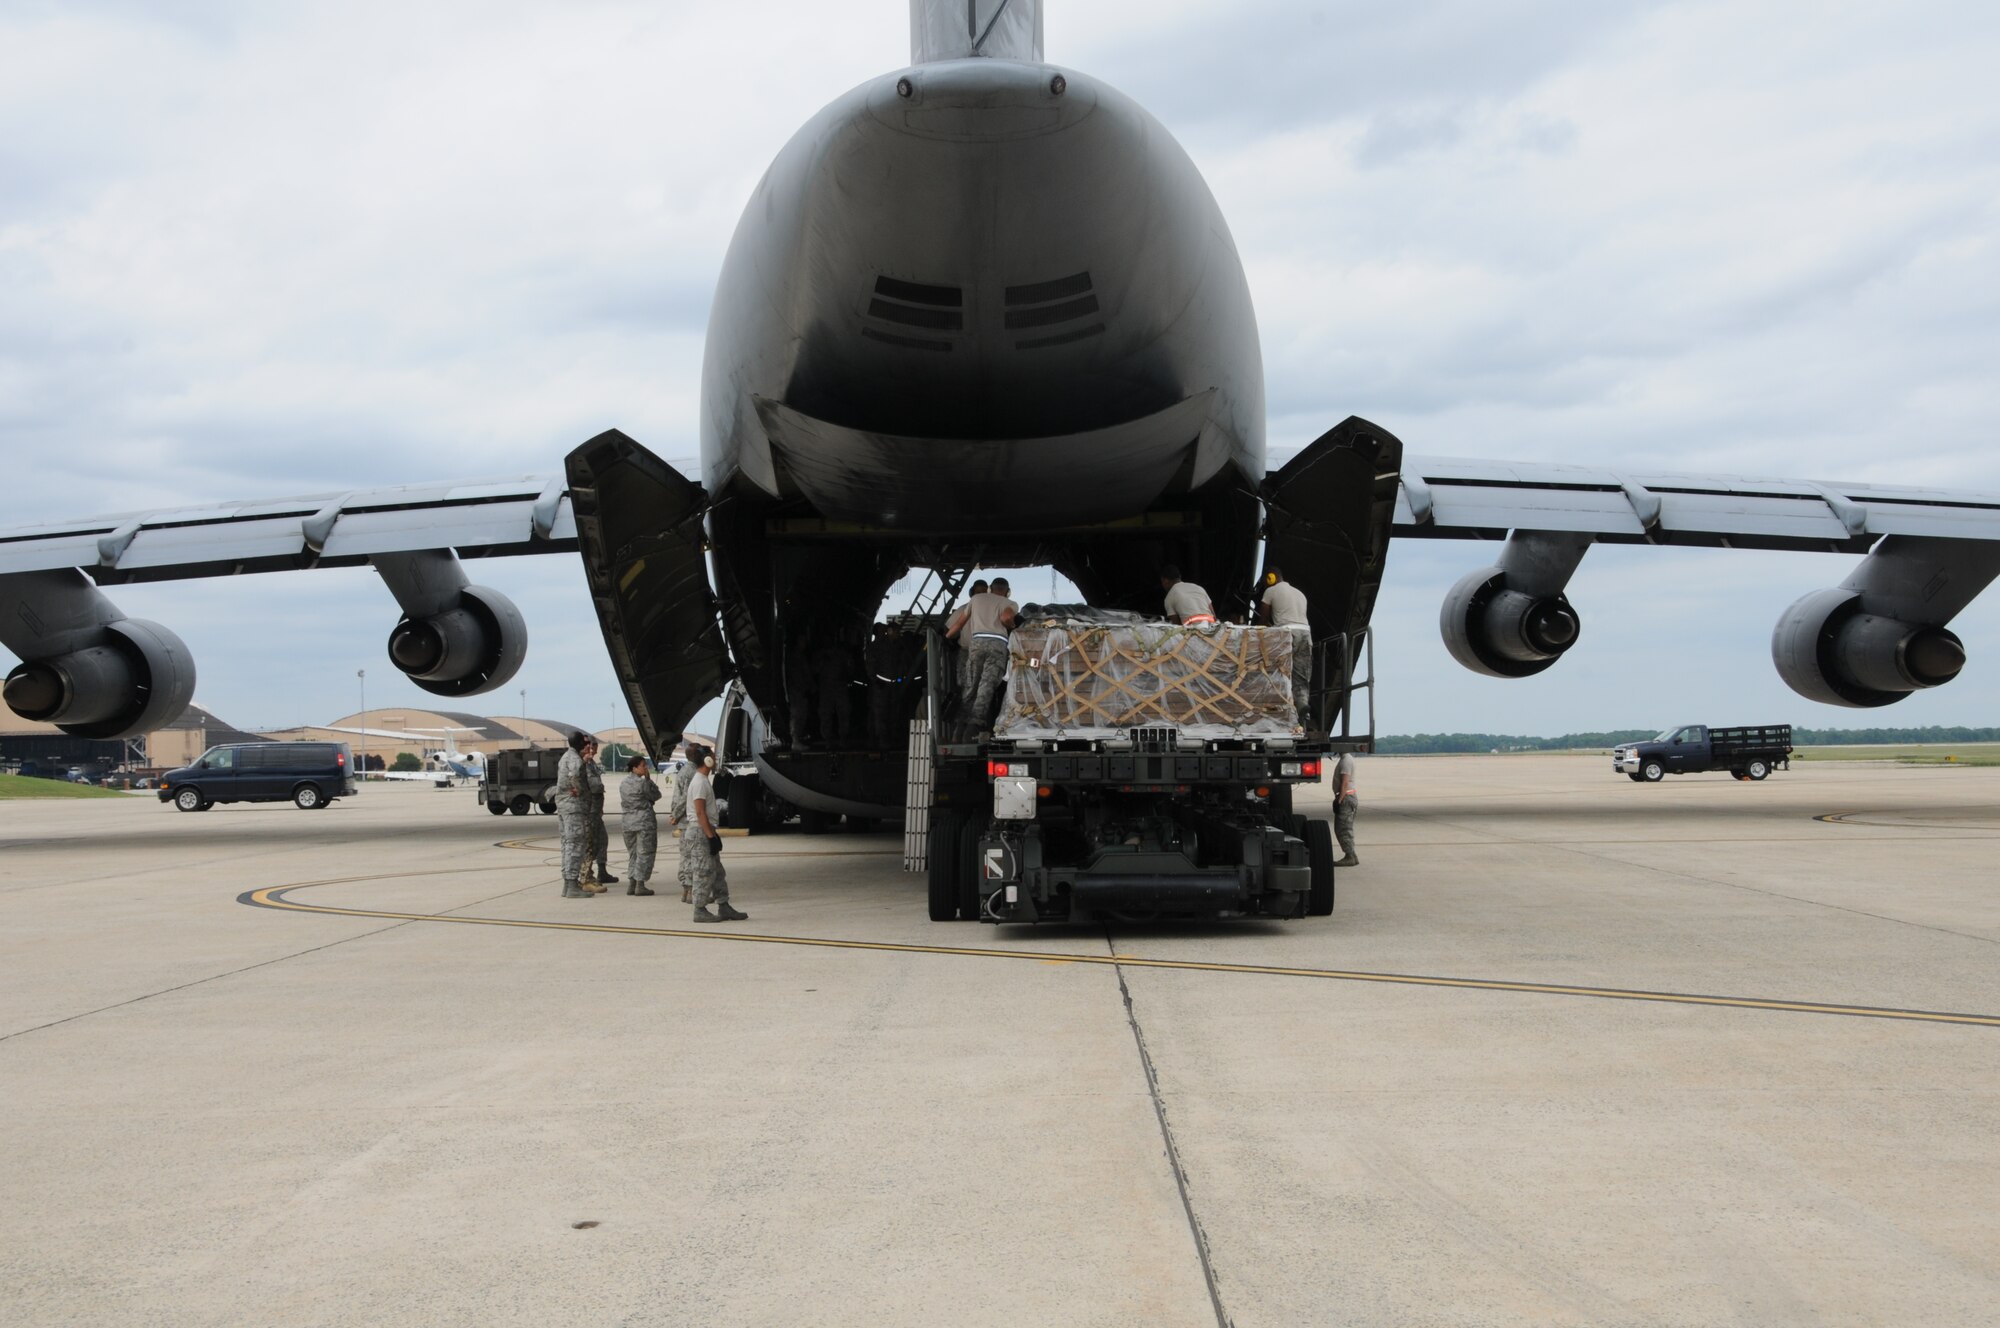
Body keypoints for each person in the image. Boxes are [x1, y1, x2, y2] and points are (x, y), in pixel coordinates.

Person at [946, 576, 1017, 739]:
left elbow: (958, 623)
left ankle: (959, 726)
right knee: (986, 686)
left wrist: (946, 637)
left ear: (990, 588)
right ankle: (973, 726)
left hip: (976, 644)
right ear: (1007, 591)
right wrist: (1012, 626)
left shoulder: (976, 599)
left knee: (971, 685)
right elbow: (1006, 618)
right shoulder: (1010, 603)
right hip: (997, 646)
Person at [684, 744, 748, 923]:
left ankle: (724, 905)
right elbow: (700, 813)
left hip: (706, 829)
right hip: (700, 831)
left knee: (717, 872)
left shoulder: (703, 780)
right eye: (712, 755)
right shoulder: (699, 782)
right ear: (707, 759)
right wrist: (710, 836)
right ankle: (699, 909)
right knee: (703, 871)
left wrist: (712, 834)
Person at [1256, 566, 1313, 725]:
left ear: (1270, 578)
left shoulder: (1271, 591)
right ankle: (1301, 705)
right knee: (1301, 674)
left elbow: (1263, 619)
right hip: (1305, 634)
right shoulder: (1299, 593)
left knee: (1279, 673)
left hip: (1287, 634)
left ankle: (1280, 711)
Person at [552, 732, 594, 900]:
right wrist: (579, 789)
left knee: (567, 844)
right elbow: (575, 774)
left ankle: (567, 884)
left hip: (563, 804)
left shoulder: (566, 757)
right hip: (573, 806)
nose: (586, 745)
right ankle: (571, 884)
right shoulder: (575, 759)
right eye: (584, 743)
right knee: (575, 844)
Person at [619, 755, 661, 896]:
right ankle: (640, 884)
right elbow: (656, 795)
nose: (645, 768)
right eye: (643, 765)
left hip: (628, 823)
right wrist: (648, 779)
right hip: (643, 822)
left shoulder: (623, 783)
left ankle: (632, 883)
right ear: (634, 768)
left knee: (633, 854)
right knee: (645, 853)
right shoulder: (643, 783)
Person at [866, 622, 909, 749]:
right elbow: (870, 665)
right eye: (896, 631)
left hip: (893, 685)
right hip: (881, 686)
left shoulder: (898, 646)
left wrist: (900, 679)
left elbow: (903, 664)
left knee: (893, 712)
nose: (898, 634)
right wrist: (875, 680)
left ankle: (891, 737)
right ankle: (881, 740)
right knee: (880, 713)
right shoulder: (877, 646)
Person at [582, 739, 617, 888]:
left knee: (602, 839)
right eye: (590, 747)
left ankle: (602, 871)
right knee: (590, 844)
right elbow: (594, 786)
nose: (592, 750)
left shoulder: (591, 764)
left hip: (596, 810)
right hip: (589, 811)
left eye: (594, 748)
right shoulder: (582, 764)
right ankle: (586, 875)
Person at [666, 747, 696, 903]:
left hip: (684, 820)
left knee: (685, 856)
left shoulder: (684, 770)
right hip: (689, 820)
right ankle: (690, 889)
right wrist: (676, 815)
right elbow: (685, 797)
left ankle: (685, 889)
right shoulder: (692, 773)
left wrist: (675, 814)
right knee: (691, 856)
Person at [1333, 750, 1359, 867]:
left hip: (1346, 797)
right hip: (1348, 796)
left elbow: (1344, 782)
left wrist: (1339, 799)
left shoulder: (1346, 761)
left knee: (1343, 829)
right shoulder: (1346, 759)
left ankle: (1349, 856)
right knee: (1345, 828)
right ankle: (1352, 855)